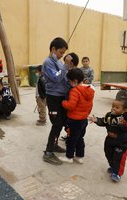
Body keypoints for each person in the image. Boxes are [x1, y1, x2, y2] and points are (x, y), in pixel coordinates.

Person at [88, 97, 127, 182]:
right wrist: (96, 120)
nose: (113, 108)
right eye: (113, 106)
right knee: (109, 154)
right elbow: (103, 121)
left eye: (117, 107)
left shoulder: (126, 117)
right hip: (109, 140)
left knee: (118, 158)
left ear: (124, 110)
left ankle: (117, 173)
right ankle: (113, 166)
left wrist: (124, 124)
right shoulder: (109, 115)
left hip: (121, 142)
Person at [58, 68, 95, 164]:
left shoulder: (74, 91)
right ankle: (79, 156)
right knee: (80, 138)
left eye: (70, 81)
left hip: (74, 121)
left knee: (71, 139)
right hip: (83, 120)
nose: (69, 83)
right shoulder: (89, 90)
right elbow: (90, 106)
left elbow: (71, 106)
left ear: (74, 81)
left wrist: (63, 102)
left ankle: (69, 157)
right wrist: (86, 114)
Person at [42, 37, 69, 165]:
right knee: (56, 123)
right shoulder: (48, 62)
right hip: (53, 97)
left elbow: (63, 78)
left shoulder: (57, 62)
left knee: (62, 122)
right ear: (53, 49)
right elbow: (56, 78)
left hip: (61, 97)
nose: (62, 55)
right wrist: (64, 67)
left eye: (63, 53)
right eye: (61, 52)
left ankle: (54, 144)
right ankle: (48, 152)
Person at [60, 52, 79, 141]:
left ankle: (71, 137)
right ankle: (70, 135)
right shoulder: (76, 72)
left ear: (70, 63)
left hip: (71, 100)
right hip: (73, 100)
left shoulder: (72, 73)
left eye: (66, 63)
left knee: (69, 121)